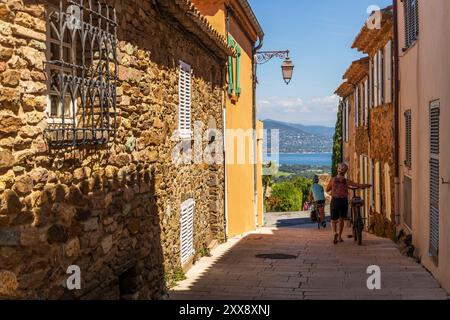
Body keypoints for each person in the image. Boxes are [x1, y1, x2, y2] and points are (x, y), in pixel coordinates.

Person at [326, 163, 371, 244]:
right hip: (343, 201)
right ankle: (339, 237)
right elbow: (358, 185)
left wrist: (332, 188)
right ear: (345, 172)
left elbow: (327, 190)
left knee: (333, 220)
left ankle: (334, 233)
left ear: (338, 170)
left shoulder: (333, 179)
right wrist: (366, 185)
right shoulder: (346, 181)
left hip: (335, 201)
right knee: (341, 219)